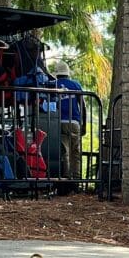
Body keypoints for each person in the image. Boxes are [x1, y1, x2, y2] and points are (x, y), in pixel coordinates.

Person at [49, 59, 86, 188]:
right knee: (75, 153)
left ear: (57, 74)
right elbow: (83, 106)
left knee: (64, 152)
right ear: (67, 73)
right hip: (74, 122)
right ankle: (75, 181)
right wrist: (84, 124)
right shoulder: (76, 85)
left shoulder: (52, 85)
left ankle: (64, 180)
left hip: (57, 122)